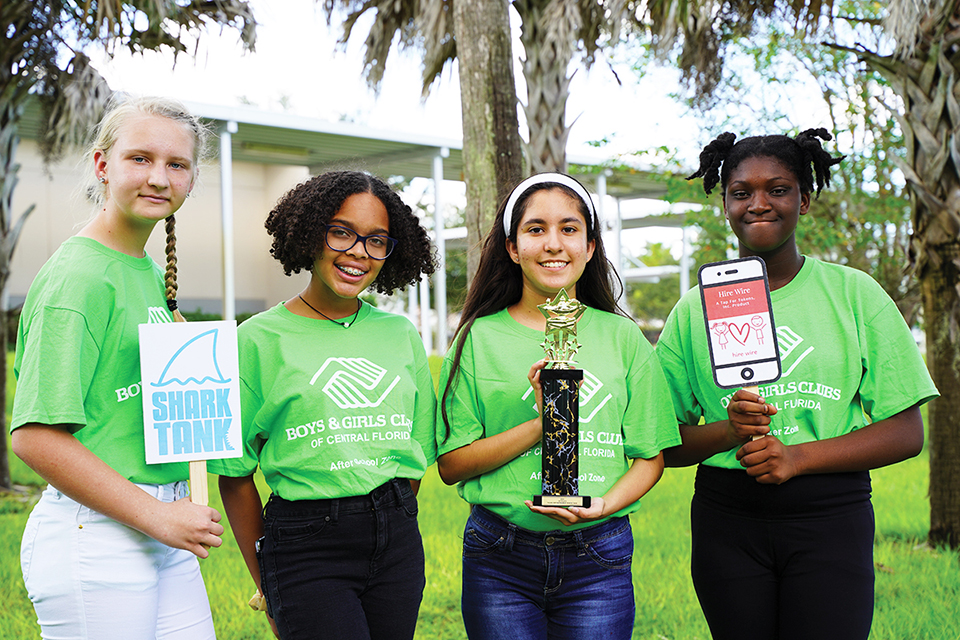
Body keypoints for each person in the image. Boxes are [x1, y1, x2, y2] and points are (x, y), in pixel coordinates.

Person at [655, 129, 939, 640]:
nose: (758, 204)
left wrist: (798, 458)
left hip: (830, 514)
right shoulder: (693, 311)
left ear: (804, 200)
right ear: (724, 204)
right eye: (741, 192)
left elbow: (906, 433)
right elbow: (663, 441)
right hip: (727, 519)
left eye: (778, 189)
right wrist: (727, 432)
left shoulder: (855, 295)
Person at [11, 96, 223, 639]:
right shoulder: (77, 276)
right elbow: (35, 437)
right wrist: (158, 517)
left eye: (176, 164)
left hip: (162, 528)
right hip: (97, 538)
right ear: (103, 166)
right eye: (140, 158)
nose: (159, 177)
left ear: (192, 179)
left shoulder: (147, 271)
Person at [437, 172, 681, 640]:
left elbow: (651, 456)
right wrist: (544, 419)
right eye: (535, 229)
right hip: (499, 556)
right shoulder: (478, 339)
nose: (553, 244)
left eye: (569, 229)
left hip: (599, 554)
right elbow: (452, 465)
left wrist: (605, 505)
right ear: (512, 247)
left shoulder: (623, 337)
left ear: (590, 247)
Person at [210, 170, 437, 640]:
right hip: (306, 545)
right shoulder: (255, 340)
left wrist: (383, 515)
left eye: (377, 240)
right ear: (311, 233)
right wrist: (266, 576)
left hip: (397, 539)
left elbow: (413, 452)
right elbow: (233, 475)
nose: (358, 252)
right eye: (341, 232)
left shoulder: (400, 335)